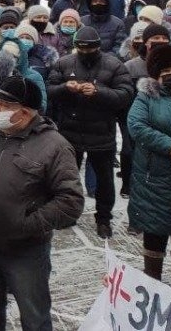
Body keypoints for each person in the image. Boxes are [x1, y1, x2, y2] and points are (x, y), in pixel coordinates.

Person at [0, 75, 84, 331]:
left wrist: (26, 223)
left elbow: (71, 201)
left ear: (26, 112)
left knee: (34, 316)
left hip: (25, 252)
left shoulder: (55, 146)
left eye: (4, 106)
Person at [46, 26, 134, 238]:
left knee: (105, 180)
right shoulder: (64, 63)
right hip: (69, 131)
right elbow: (50, 89)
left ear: (98, 47)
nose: (86, 52)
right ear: (76, 47)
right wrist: (67, 88)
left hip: (102, 132)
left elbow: (125, 95)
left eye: (90, 48)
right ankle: (68, 212)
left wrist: (98, 92)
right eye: (81, 48)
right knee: (67, 178)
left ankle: (103, 219)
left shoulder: (114, 65)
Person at [126, 45, 171, 284]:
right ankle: (152, 285)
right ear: (156, 73)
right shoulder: (146, 96)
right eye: (166, 69)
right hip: (153, 178)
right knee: (154, 233)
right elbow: (137, 126)